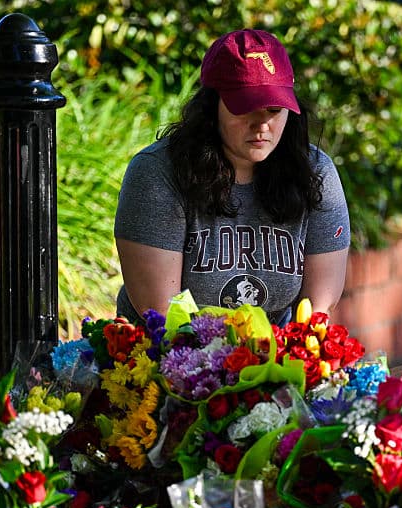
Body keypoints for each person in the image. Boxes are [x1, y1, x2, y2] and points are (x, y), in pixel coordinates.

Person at [113, 28, 351, 326]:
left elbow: (315, 313)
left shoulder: (316, 173)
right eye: (245, 109)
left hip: (273, 358)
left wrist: (285, 362)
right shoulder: (157, 174)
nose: (262, 125)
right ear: (212, 108)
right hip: (167, 356)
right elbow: (164, 315)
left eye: (275, 109)